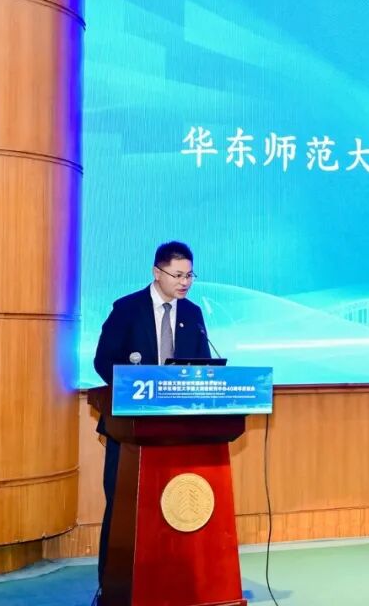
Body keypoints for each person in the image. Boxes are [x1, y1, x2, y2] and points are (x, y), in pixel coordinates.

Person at [92, 240, 212, 599]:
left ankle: (171, 583)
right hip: (131, 429)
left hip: (178, 430)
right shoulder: (127, 308)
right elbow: (103, 360)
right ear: (156, 272)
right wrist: (133, 390)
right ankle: (112, 586)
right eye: (177, 275)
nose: (185, 282)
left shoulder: (193, 314)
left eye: (189, 275)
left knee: (173, 507)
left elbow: (201, 367)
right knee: (124, 506)